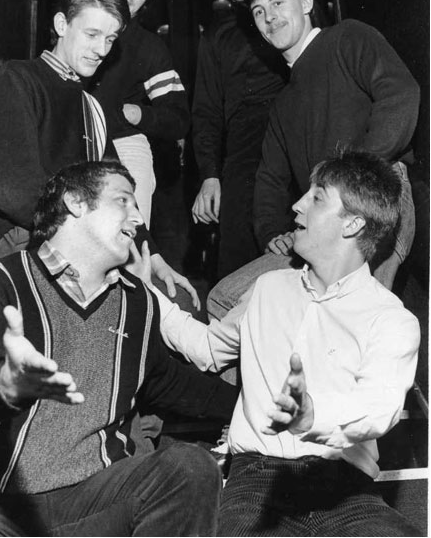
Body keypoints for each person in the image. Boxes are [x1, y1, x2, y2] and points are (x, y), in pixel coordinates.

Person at [153, 150, 421, 536]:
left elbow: (379, 406)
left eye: (316, 197)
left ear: (353, 224)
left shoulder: (391, 319)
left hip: (346, 491)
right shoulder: (267, 289)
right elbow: (207, 349)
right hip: (257, 482)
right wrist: (147, 292)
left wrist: (313, 418)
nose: (296, 206)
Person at [0, 160, 237, 537]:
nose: (137, 218)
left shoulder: (138, 303)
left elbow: (168, 383)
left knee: (190, 467)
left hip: (95, 500)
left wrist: (257, 404)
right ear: (75, 203)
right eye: (124, 200)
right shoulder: (0, 281)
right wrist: (4, 385)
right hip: (0, 508)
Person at [207, 0, 420, 318]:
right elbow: (270, 178)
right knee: (226, 301)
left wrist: (351, 178)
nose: (269, 17)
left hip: (373, 199)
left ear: (305, 4)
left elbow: (400, 94)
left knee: (344, 324)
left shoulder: (347, 37)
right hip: (317, 220)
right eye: (258, 11)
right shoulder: (284, 102)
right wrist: (273, 229)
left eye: (277, 2)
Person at [0, 0, 199, 309]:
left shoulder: (90, 106)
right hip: (17, 243)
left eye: (111, 39)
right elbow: (15, 194)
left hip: (71, 238)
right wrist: (90, 242)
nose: (101, 50)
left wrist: (151, 256)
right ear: (61, 24)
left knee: (176, 299)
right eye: (93, 34)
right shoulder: (17, 80)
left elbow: (119, 193)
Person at [191, 0, 288, 280]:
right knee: (238, 261)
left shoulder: (287, 12)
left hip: (294, 132)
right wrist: (210, 176)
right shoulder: (217, 34)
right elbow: (206, 111)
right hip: (245, 148)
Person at [91, 0, 190, 229]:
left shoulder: (150, 48)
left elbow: (178, 118)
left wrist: (137, 114)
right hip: (72, 137)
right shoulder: (72, 21)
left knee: (129, 236)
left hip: (124, 142)